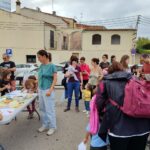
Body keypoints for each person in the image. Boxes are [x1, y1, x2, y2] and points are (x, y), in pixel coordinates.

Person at [96, 62, 150, 150]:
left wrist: (103, 118)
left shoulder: (105, 82)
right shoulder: (136, 79)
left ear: (110, 71)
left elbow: (98, 103)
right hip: (142, 128)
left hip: (118, 129)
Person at [37, 50, 57, 136]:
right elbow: (39, 78)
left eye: (39, 57)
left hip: (48, 89)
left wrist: (50, 90)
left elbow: (55, 79)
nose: (38, 59)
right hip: (41, 89)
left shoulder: (52, 66)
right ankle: (45, 124)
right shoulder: (41, 66)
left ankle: (52, 126)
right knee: (42, 108)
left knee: (49, 109)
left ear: (44, 56)